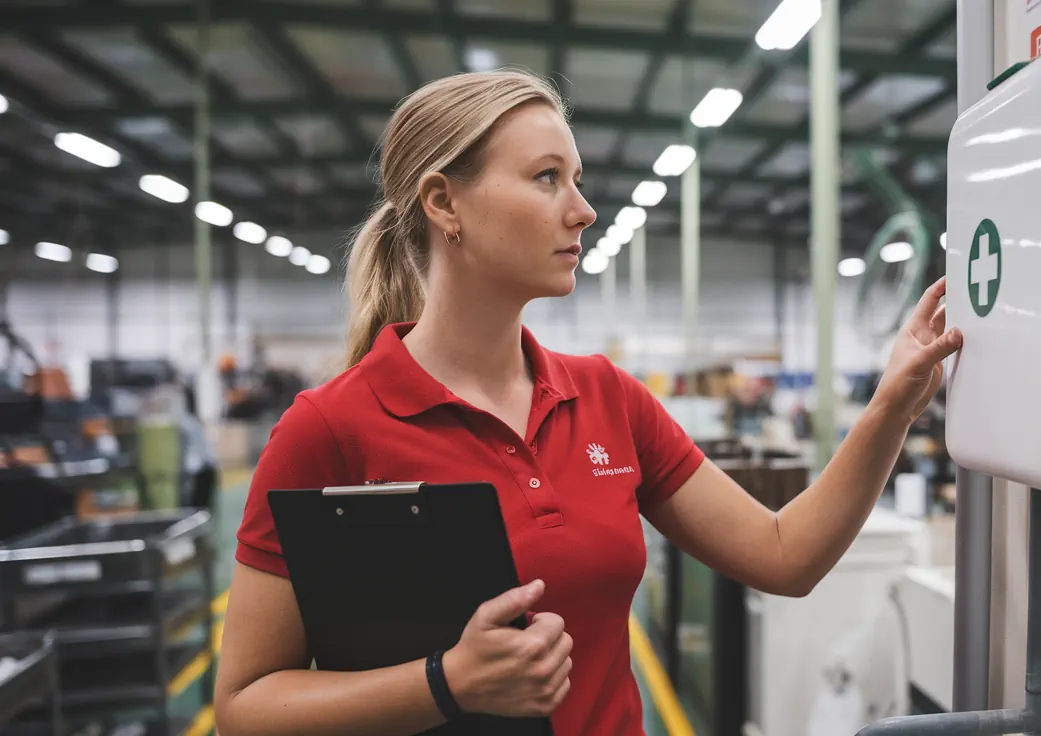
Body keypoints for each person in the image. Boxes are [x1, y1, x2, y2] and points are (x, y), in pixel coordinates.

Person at [213, 69, 962, 736]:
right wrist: (445, 684)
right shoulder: (331, 428)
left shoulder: (607, 398)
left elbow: (783, 555)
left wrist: (892, 404)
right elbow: (245, 706)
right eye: (546, 178)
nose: (583, 210)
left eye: (577, 178)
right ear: (445, 203)